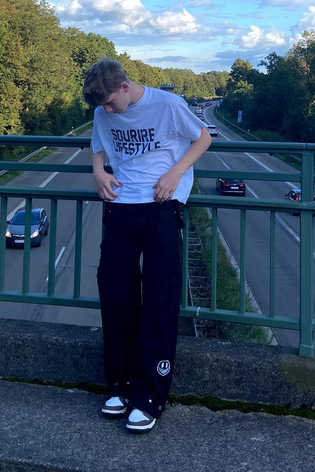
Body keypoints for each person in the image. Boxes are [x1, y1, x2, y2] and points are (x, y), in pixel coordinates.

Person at [82, 58, 212, 433]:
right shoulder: (103, 111)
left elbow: (203, 137)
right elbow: (97, 145)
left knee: (159, 299)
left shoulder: (167, 104)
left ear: (124, 86)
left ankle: (149, 397)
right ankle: (119, 387)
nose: (108, 111)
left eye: (111, 103)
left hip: (161, 207)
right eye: (102, 106)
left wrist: (175, 173)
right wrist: (98, 171)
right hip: (120, 207)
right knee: (116, 297)